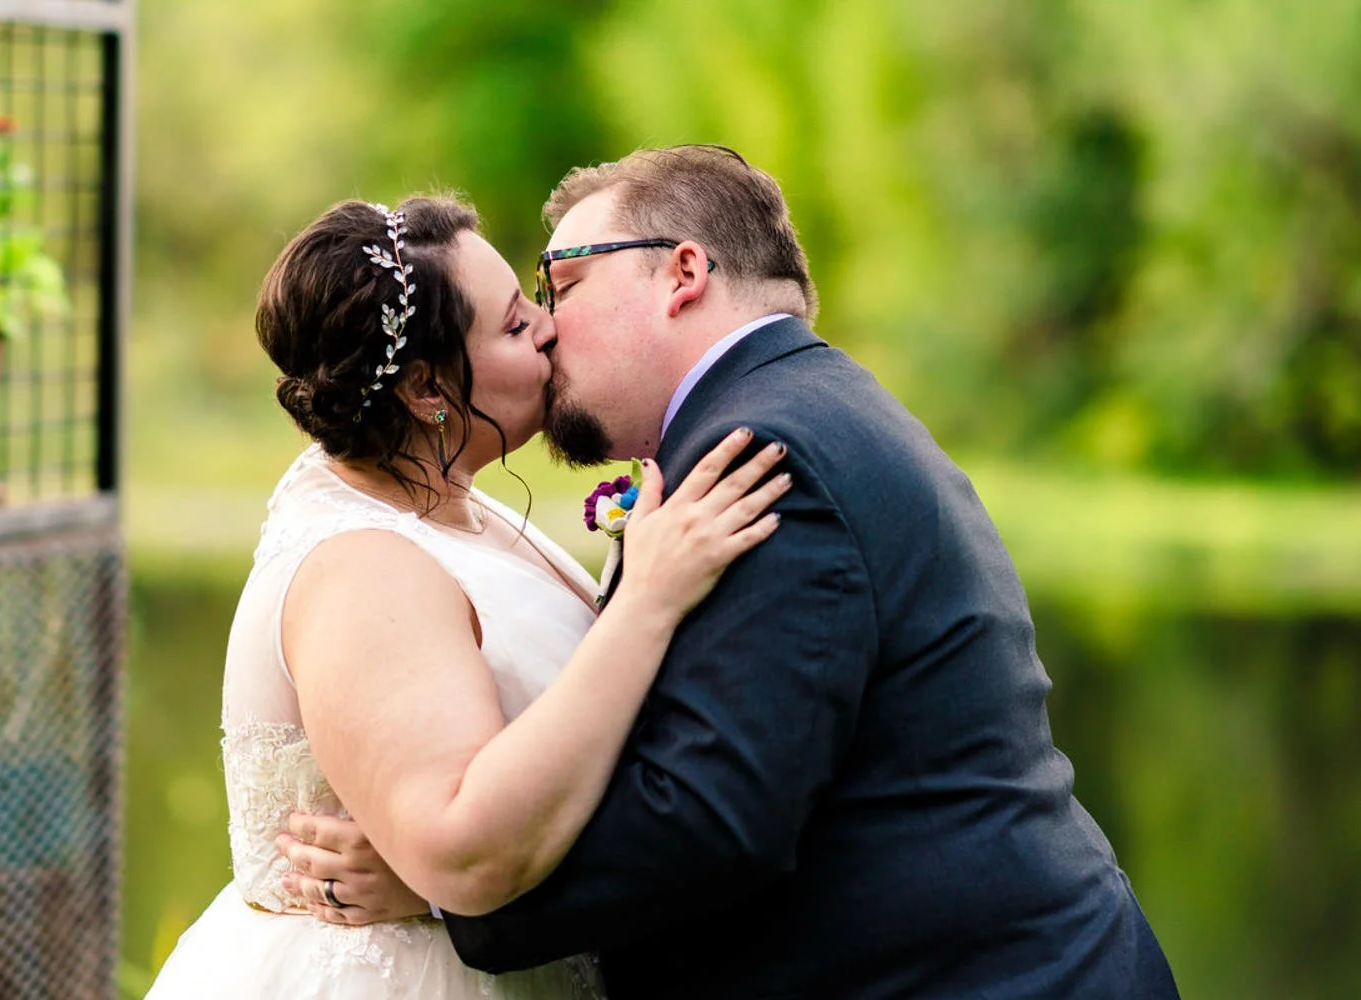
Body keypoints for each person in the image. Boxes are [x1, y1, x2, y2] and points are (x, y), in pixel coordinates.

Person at [284, 146, 1182, 999]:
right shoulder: (790, 409)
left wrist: (449, 892)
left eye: (563, 283)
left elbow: (710, 819)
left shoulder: (763, 453)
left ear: (681, 273)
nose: (548, 329)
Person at [144, 194, 790, 999]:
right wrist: (648, 599)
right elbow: (462, 846)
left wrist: (426, 887)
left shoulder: (441, 502)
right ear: (423, 391)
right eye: (517, 327)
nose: (551, 329)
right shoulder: (363, 567)